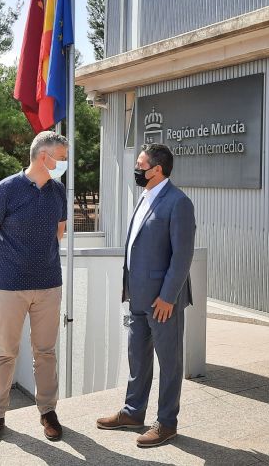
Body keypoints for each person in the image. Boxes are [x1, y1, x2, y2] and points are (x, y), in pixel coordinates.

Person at [97, 143, 196, 448]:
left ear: (157, 169)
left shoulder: (178, 202)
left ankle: (166, 423)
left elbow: (182, 256)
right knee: (137, 358)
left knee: (169, 363)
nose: (136, 170)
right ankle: (132, 412)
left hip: (162, 302)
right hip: (138, 297)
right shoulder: (144, 197)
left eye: (140, 165)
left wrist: (168, 297)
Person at [0, 131, 68, 448]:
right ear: (45, 156)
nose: (65, 163)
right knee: (5, 353)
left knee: (45, 353)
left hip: (48, 287)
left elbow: (59, 231)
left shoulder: (58, 191)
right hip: (10, 289)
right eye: (62, 156)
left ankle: (48, 412)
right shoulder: (6, 189)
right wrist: (7, 266)